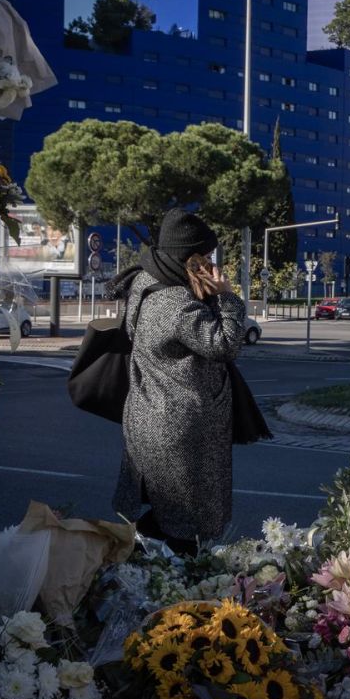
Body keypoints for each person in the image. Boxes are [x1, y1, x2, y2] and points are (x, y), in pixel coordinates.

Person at [108, 208, 247, 554]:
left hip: (148, 412)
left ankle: (140, 571)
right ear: (193, 259)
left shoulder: (143, 283)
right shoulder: (176, 304)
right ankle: (170, 598)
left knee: (160, 515)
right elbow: (226, 344)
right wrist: (227, 296)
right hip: (181, 428)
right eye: (208, 257)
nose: (214, 264)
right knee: (186, 526)